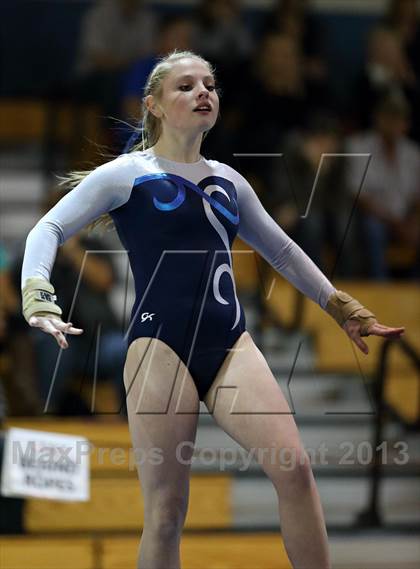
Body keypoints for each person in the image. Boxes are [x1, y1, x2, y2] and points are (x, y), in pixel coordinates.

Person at [20, 51, 404, 569]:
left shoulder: (229, 180)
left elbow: (283, 250)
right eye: (186, 86)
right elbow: (48, 228)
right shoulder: (126, 174)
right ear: (153, 105)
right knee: (166, 511)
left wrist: (339, 305)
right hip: (159, 345)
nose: (203, 91)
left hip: (230, 341)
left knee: (294, 470)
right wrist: (37, 292)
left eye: (210, 84)